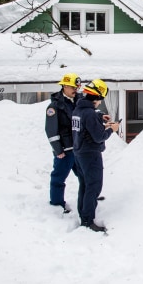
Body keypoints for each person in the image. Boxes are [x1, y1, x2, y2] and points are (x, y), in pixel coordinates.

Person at [72, 79, 119, 232]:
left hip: (79, 153)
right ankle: (88, 221)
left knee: (84, 185)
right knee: (93, 187)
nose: (100, 103)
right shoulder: (89, 113)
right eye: (100, 100)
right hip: (90, 154)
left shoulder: (78, 110)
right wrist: (112, 129)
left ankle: (83, 214)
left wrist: (100, 118)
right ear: (96, 98)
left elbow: (87, 127)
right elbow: (99, 137)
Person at [45, 73, 82, 213]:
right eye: (73, 87)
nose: (76, 90)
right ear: (65, 86)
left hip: (79, 148)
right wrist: (58, 150)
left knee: (85, 176)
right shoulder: (54, 106)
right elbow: (51, 130)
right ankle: (56, 204)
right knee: (58, 178)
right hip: (65, 151)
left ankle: (89, 197)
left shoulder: (79, 101)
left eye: (77, 87)